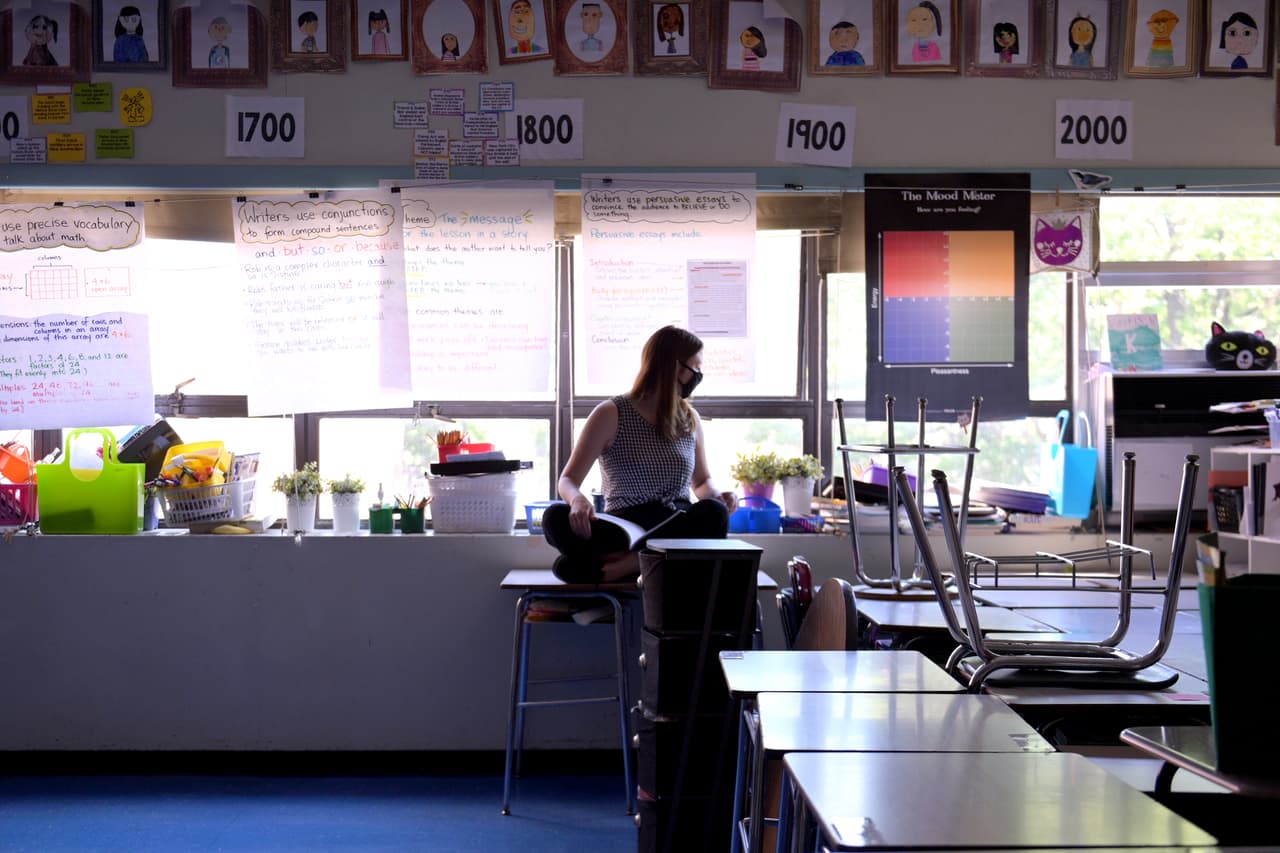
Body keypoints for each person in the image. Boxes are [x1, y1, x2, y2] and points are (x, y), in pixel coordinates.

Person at [542, 326, 737, 583]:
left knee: (714, 512)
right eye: (695, 368)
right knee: (553, 517)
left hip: (673, 522)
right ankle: (651, 561)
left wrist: (719, 496)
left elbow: (701, 482)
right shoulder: (611, 413)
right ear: (676, 367)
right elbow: (568, 480)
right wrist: (577, 500)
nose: (697, 376)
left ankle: (625, 566)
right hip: (623, 526)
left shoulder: (690, 419)